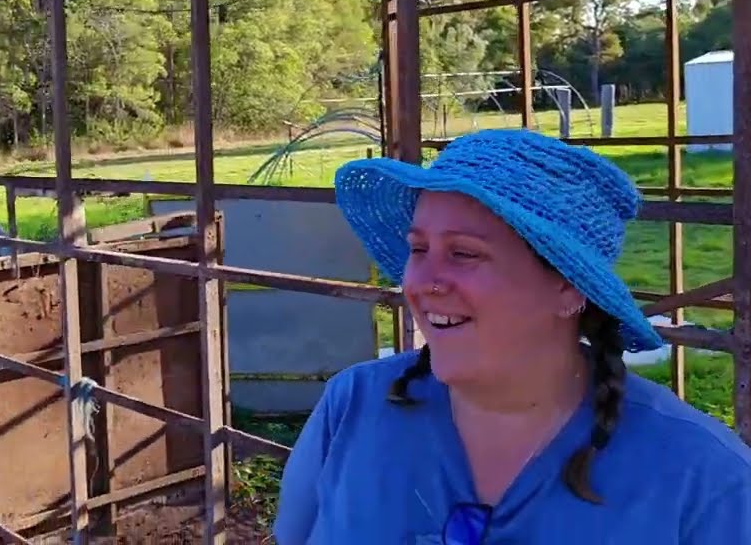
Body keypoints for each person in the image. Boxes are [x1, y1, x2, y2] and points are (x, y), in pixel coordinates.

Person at [273, 128, 751, 543]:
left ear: (567, 286)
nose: (423, 281)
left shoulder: (702, 480)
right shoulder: (353, 407)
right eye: (418, 248)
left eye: (464, 253)